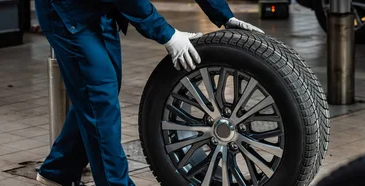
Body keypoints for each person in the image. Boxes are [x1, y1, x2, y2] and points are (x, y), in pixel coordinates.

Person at [34, 0, 264, 185]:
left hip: (102, 8)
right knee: (99, 100)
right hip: (67, 12)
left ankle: (58, 171)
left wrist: (224, 15)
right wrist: (167, 34)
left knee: (97, 97)